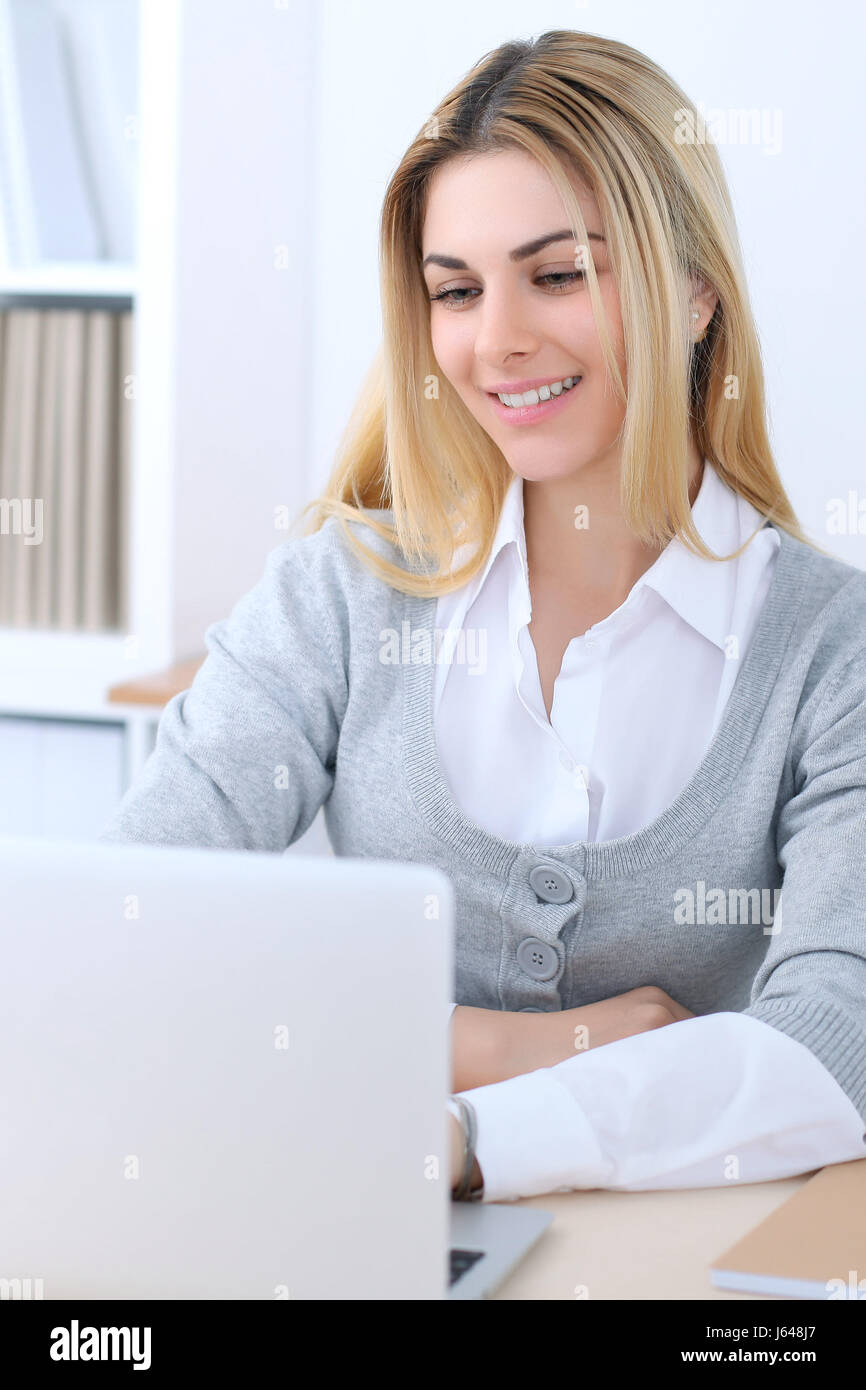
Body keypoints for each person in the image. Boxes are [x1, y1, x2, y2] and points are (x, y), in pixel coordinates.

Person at [100, 30, 866, 1204]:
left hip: (675, 1255)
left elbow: (832, 1040)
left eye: (556, 274)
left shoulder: (829, 649)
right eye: (454, 289)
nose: (495, 339)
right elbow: (122, 924)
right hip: (366, 1230)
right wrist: (513, 1045)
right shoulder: (342, 590)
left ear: (696, 290)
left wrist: (462, 1137)